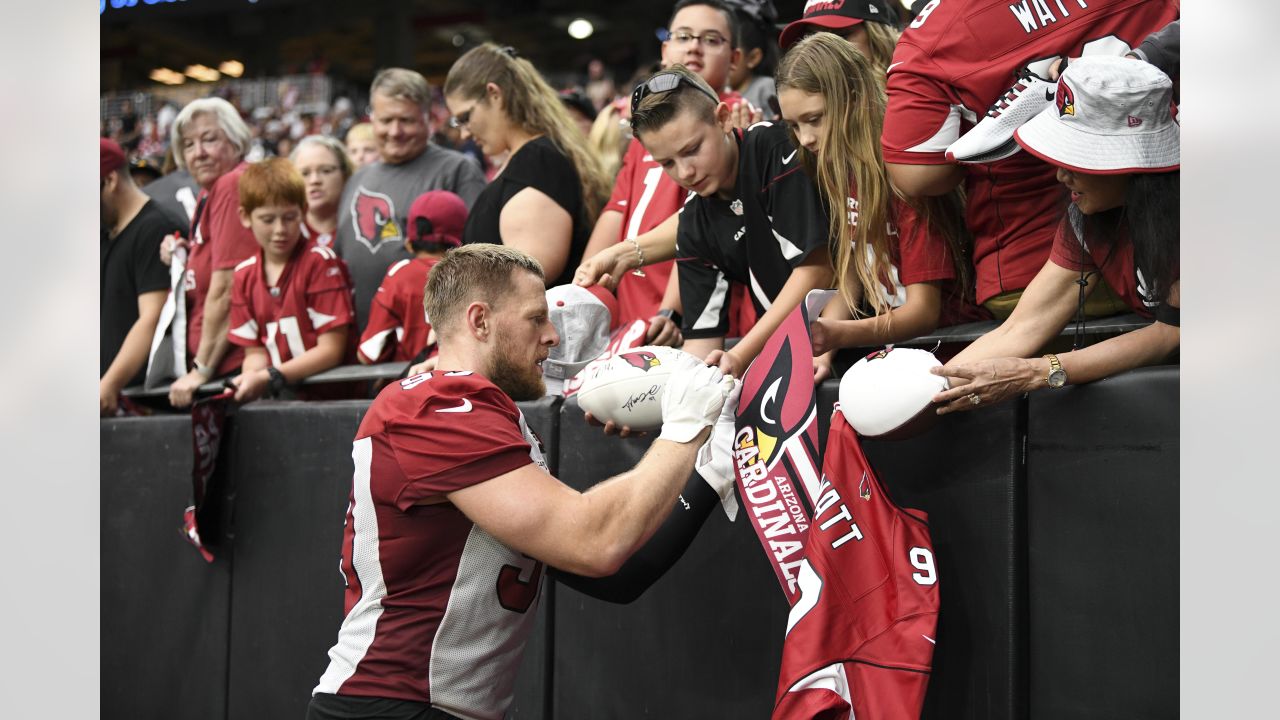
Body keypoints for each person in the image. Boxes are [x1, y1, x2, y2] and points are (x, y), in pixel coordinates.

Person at [307, 244, 733, 720]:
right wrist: (684, 428)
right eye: (536, 319)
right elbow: (595, 541)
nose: (552, 337)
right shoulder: (438, 407)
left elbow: (619, 573)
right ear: (480, 321)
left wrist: (708, 466)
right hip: (392, 703)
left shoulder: (480, 413)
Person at [880, 0, 1179, 319]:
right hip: (1135, 233)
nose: (1061, 174)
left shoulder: (936, 32)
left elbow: (917, 175)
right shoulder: (1077, 217)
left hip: (1028, 256)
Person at [930, 56, 1179, 413]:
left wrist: (1036, 372)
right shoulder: (1087, 216)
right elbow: (1022, 327)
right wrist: (927, 388)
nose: (1060, 175)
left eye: (1077, 158)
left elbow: (1169, 333)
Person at [774, 33, 987, 380]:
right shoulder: (843, 170)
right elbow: (854, 271)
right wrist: (825, 346)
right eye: (794, 125)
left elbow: (923, 312)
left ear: (854, 99)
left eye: (815, 119)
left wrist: (840, 333)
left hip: (958, 353)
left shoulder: (904, 178)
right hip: (906, 351)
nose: (805, 138)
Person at [624, 65, 834, 379]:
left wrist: (739, 355)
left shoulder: (771, 146)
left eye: (692, 150)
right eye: (667, 163)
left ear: (723, 119)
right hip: (800, 355)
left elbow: (818, 269)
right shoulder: (694, 219)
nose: (685, 173)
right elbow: (701, 345)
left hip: (869, 330)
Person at [576, 0, 759, 355]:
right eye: (684, 36)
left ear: (734, 59)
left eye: (711, 39)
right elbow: (617, 210)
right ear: (665, 50)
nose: (693, 46)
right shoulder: (646, 128)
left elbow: (705, 220)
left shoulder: (738, 116)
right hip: (634, 313)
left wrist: (673, 310)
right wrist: (581, 291)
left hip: (693, 318)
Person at [444, 44, 612, 288]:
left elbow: (525, 285)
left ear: (494, 94)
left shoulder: (538, 163)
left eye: (466, 118)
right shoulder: (530, 160)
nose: (464, 134)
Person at [334, 68, 487, 334]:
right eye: (386, 120)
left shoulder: (458, 171)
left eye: (406, 120)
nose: (395, 131)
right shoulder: (358, 179)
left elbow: (480, 260)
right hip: (363, 343)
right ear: (372, 119)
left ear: (428, 120)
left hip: (427, 343)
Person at [226, 158, 355, 403]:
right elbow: (254, 352)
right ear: (245, 216)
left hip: (331, 400)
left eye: (289, 217)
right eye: (267, 219)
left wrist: (270, 376)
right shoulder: (243, 275)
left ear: (303, 212)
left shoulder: (319, 262)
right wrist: (249, 379)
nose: (279, 230)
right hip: (282, 402)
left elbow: (332, 350)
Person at [159, 97, 260, 408]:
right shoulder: (209, 191)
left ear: (236, 139)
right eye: (188, 145)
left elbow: (228, 287)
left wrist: (200, 370)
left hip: (232, 371)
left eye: (209, 139)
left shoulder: (231, 185)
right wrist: (185, 254)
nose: (198, 153)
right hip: (224, 366)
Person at [100, 138, 184, 415]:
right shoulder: (103, 231)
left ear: (110, 180)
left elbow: (152, 317)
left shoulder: (157, 227)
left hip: (145, 403)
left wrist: (109, 384)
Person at [358, 190, 467, 365]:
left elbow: (368, 353)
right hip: (462, 381)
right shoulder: (475, 272)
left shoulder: (401, 274)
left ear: (409, 243)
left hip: (411, 383)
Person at [777, 0, 901, 71]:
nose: (825, 51)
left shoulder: (912, 95)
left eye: (842, 36)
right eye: (812, 38)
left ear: (878, 38)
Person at [290, 135, 354, 248]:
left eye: (326, 171)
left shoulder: (362, 229)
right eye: (304, 173)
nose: (314, 180)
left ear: (345, 175)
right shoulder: (285, 233)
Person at [724, 0, 779, 117]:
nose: (723, 60)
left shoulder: (765, 88)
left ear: (753, 58)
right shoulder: (723, 92)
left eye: (733, 54)